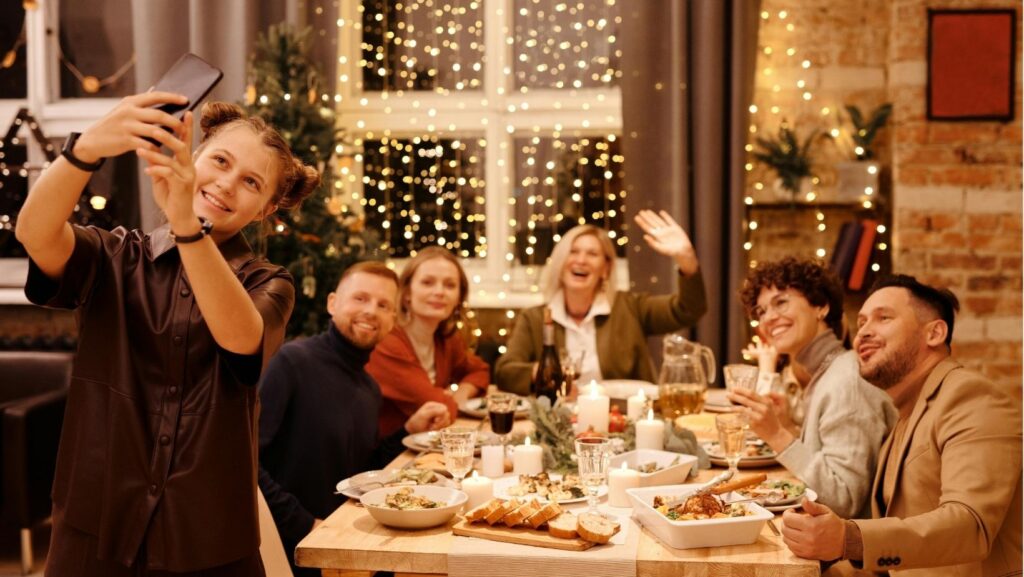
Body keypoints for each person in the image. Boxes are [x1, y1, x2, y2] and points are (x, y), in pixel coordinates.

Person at [16, 94, 319, 575]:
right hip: (97, 525)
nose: (226, 183)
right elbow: (34, 232)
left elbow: (243, 340)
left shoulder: (269, 283)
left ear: (265, 210)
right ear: (194, 157)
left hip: (207, 539)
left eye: (251, 182)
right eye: (219, 160)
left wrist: (185, 225)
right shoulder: (115, 256)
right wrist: (88, 147)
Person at [781, 275, 1022, 576]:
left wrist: (849, 539)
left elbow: (970, 525)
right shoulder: (907, 412)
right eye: (863, 321)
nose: (863, 333)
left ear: (934, 333)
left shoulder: (972, 397)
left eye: (884, 318)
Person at [258, 262, 451, 577]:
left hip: (347, 542)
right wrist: (306, 525)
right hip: (294, 550)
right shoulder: (291, 362)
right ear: (332, 303)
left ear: (393, 320)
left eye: (383, 305)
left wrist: (407, 430)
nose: (371, 311)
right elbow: (246, 462)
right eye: (360, 299)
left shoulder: (369, 387)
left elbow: (360, 471)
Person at [729, 258, 896, 518]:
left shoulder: (847, 380)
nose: (769, 318)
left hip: (847, 552)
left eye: (781, 302)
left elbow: (845, 499)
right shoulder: (827, 372)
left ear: (821, 306)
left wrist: (777, 435)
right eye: (761, 312)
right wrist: (788, 427)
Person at [495, 210, 707, 394]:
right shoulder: (535, 319)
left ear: (606, 269)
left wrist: (686, 259)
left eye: (592, 254)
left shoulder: (631, 307)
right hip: (560, 421)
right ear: (560, 263)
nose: (581, 260)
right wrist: (542, 371)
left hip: (624, 419)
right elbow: (505, 372)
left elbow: (689, 309)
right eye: (573, 252)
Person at [366, 246, 490, 440]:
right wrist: (446, 399)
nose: (439, 292)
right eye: (427, 283)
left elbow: (479, 371)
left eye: (449, 285)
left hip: (423, 446)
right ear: (406, 293)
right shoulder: (387, 341)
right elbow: (436, 405)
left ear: (459, 298)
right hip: (386, 458)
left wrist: (460, 394)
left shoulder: (445, 338)